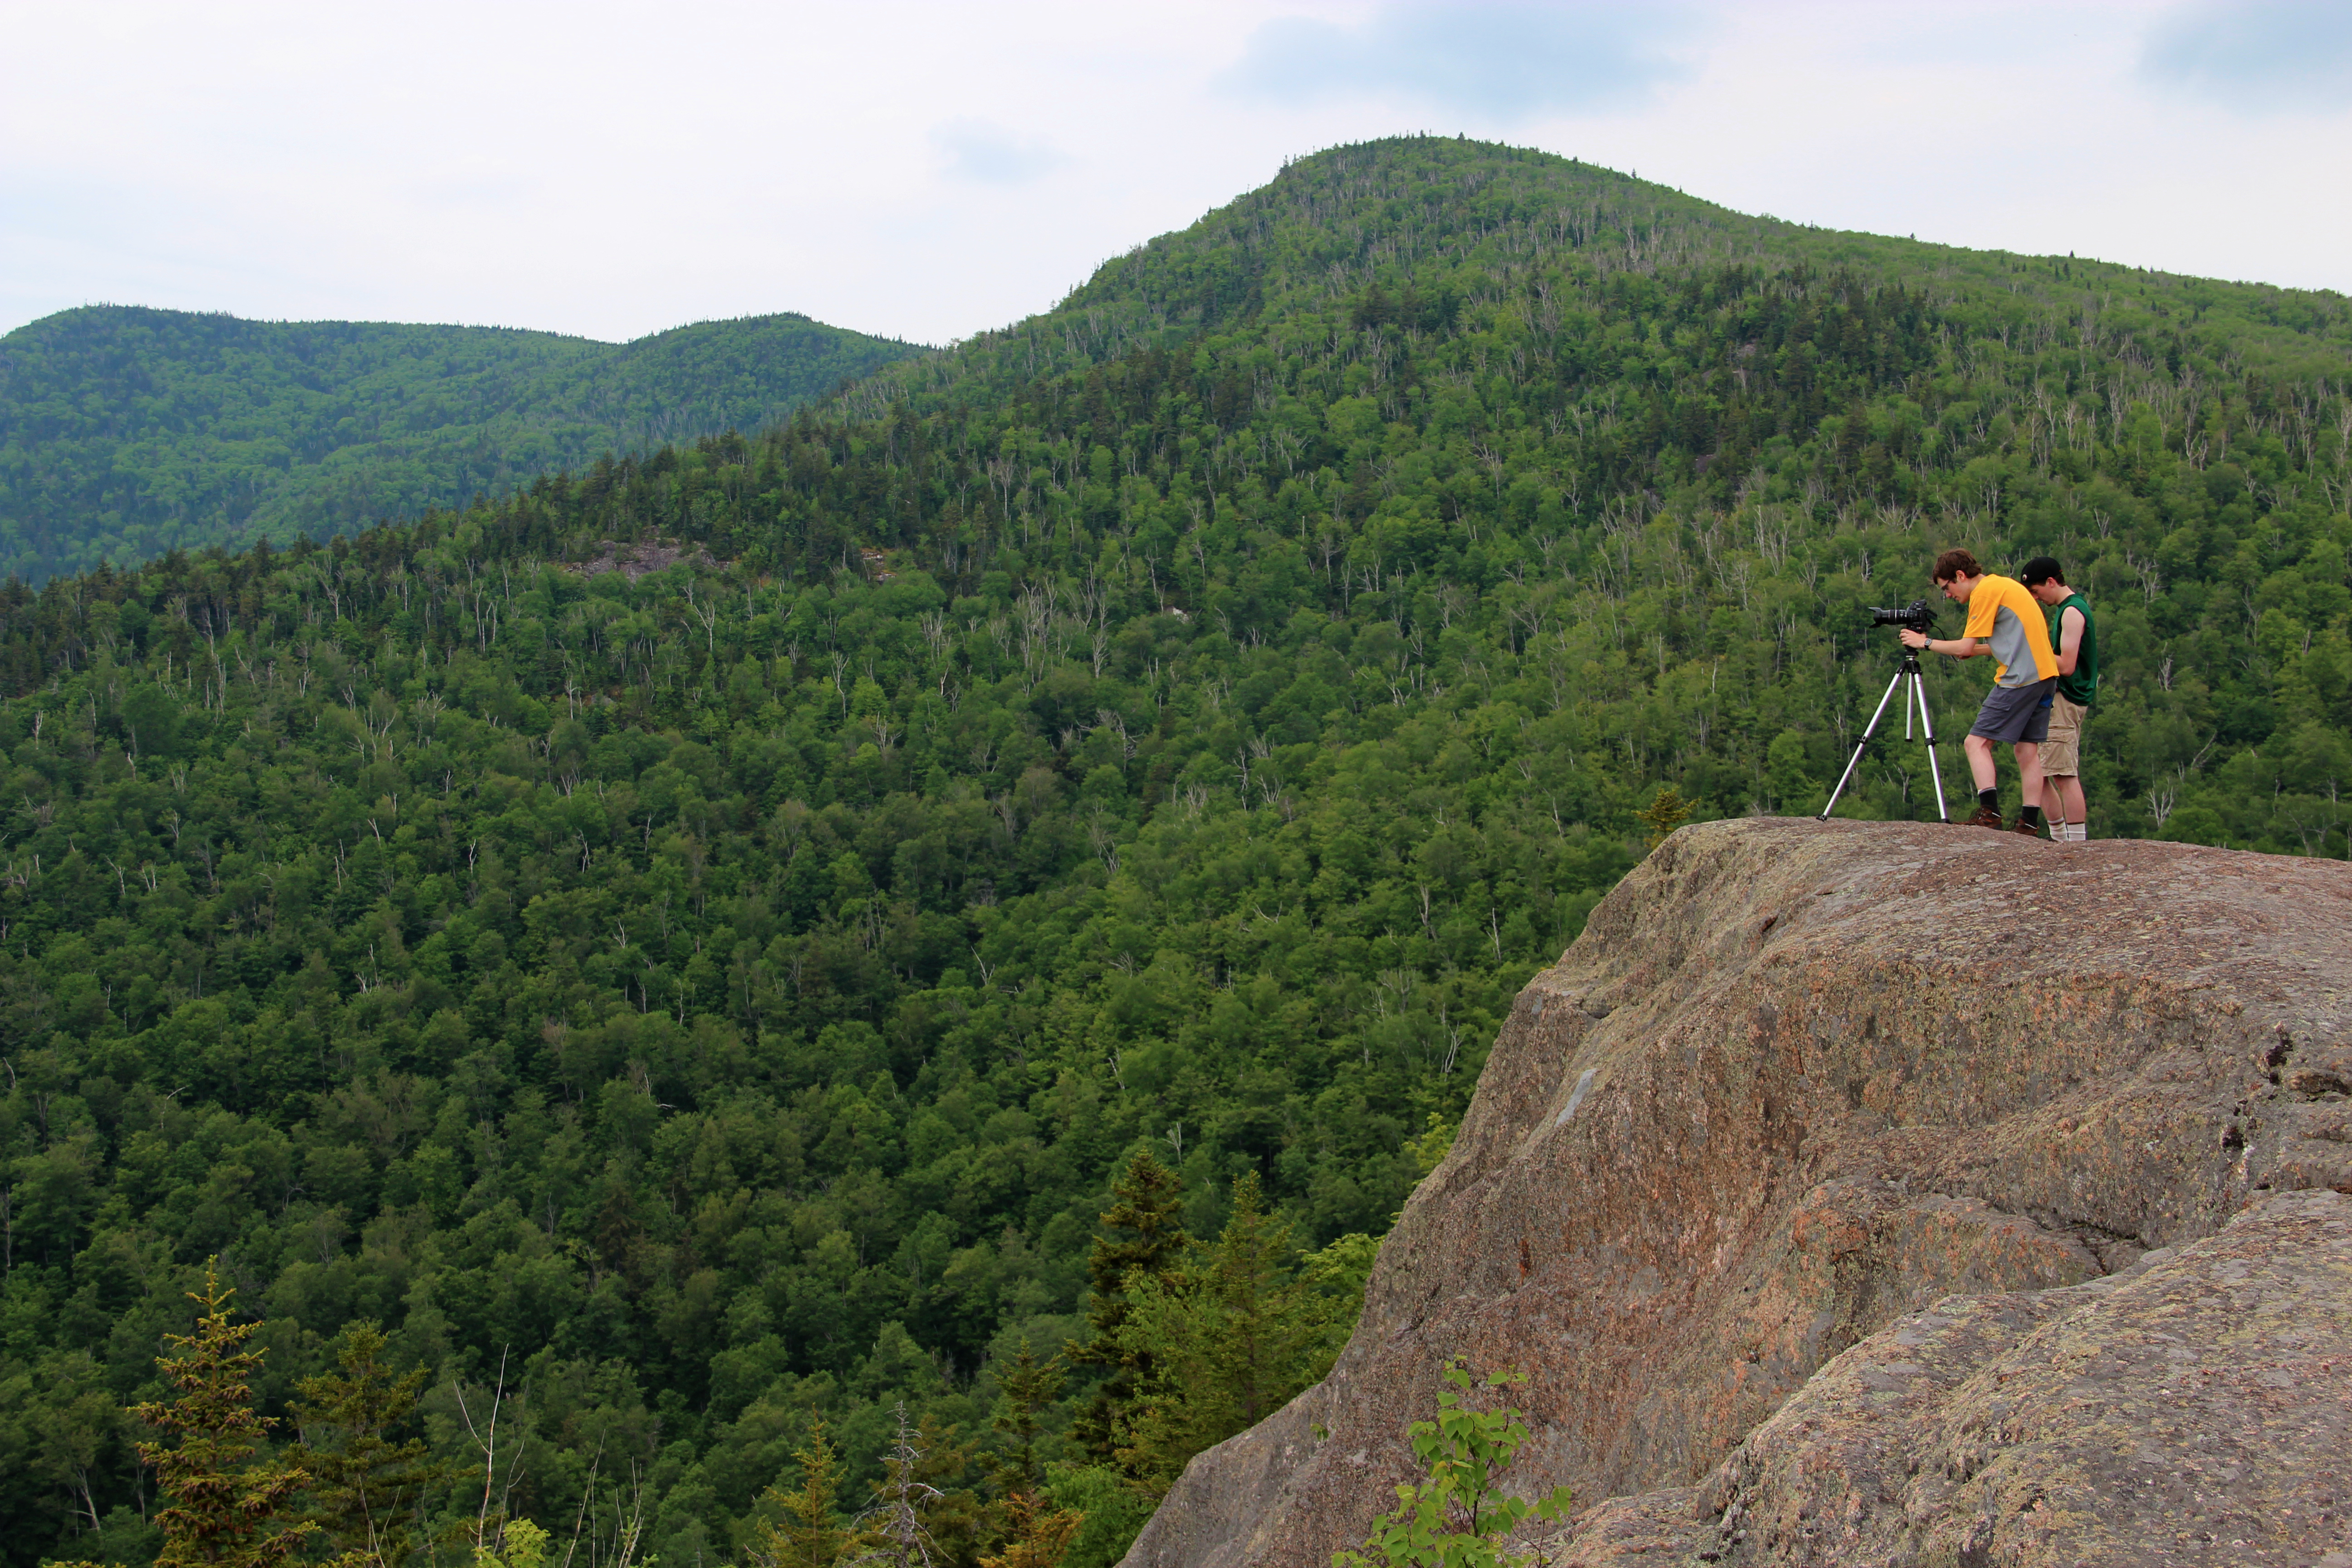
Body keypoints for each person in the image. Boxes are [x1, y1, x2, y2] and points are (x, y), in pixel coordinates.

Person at [1897, 548, 2059, 833]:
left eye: (1947, 587)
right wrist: (1979, 651)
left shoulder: (1984, 593)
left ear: (1961, 576)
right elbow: (2015, 641)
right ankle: (2029, 823)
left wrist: (1923, 642)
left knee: (1976, 743)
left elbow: (1964, 647)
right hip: (2045, 676)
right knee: (2026, 750)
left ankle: (1990, 814)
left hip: (2020, 679)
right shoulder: (2005, 585)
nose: (1948, 595)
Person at [2020, 557, 2097, 841]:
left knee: (2064, 774)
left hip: (2067, 699)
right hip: (2058, 698)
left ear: (2052, 582)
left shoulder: (2072, 612)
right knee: (2038, 771)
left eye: (2038, 592)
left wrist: (2029, 652)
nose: (2037, 599)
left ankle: (2075, 843)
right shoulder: (2069, 609)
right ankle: (2059, 836)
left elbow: (2066, 665)